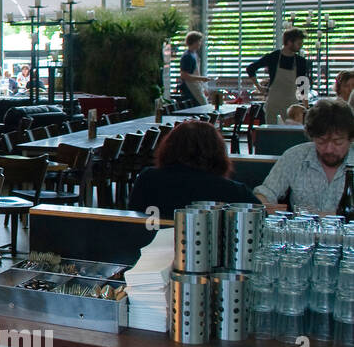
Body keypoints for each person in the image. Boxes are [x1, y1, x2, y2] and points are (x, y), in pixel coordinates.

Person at [128, 121, 256, 220]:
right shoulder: (235, 190)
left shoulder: (148, 179)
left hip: (151, 250)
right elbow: (262, 219)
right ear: (218, 151)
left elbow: (134, 219)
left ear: (169, 147)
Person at [254, 99, 354, 213]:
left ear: (351, 139)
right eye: (321, 141)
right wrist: (263, 204)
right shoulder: (296, 156)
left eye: (338, 142)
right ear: (312, 137)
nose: (329, 149)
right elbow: (266, 192)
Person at [247, 28, 312, 126]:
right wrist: (259, 88)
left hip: (291, 105)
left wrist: (306, 107)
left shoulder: (300, 61)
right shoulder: (273, 57)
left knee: (291, 132)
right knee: (271, 130)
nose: (301, 46)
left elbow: (303, 84)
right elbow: (251, 68)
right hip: (273, 102)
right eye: (299, 43)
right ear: (289, 42)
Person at [178, 31, 211, 106]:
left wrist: (202, 86)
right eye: (199, 41)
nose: (200, 43)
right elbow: (184, 75)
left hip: (196, 85)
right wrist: (201, 78)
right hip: (190, 88)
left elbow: (197, 72)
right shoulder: (187, 56)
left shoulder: (194, 54)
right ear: (194, 42)